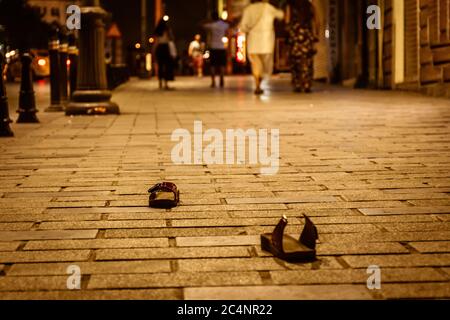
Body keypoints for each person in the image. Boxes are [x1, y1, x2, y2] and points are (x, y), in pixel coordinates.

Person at [240, 0, 284, 95]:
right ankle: (259, 81)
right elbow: (280, 15)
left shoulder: (248, 9)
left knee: (255, 63)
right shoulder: (268, 7)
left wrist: (248, 30)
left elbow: (243, 26)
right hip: (266, 41)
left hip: (253, 40)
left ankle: (257, 84)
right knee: (265, 65)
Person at [286, 0, 319, 93]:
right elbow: (316, 21)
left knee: (295, 60)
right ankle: (306, 83)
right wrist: (316, 34)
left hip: (295, 33)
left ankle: (297, 83)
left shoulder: (290, 5)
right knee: (307, 59)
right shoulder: (310, 6)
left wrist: (288, 35)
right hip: (306, 33)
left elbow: (287, 20)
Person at [203, 12, 230, 88]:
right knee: (222, 64)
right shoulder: (223, 25)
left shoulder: (211, 25)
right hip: (221, 47)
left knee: (213, 65)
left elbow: (200, 24)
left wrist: (208, 20)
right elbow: (230, 24)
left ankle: (213, 82)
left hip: (213, 47)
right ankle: (222, 78)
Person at [154, 18, 176, 90]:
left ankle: (160, 83)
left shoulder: (157, 30)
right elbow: (171, 38)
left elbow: (156, 42)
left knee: (160, 66)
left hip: (159, 48)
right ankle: (165, 83)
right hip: (166, 47)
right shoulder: (167, 29)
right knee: (166, 66)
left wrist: (153, 50)